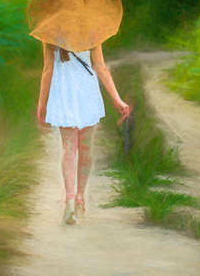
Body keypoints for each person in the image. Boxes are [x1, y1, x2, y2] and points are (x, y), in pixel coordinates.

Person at [36, 41, 132, 225]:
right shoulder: (91, 29)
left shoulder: (50, 33)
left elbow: (47, 70)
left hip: (63, 92)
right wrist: (117, 100)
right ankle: (80, 198)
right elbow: (101, 68)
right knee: (86, 148)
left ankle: (70, 202)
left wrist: (42, 104)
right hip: (87, 92)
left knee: (69, 149)